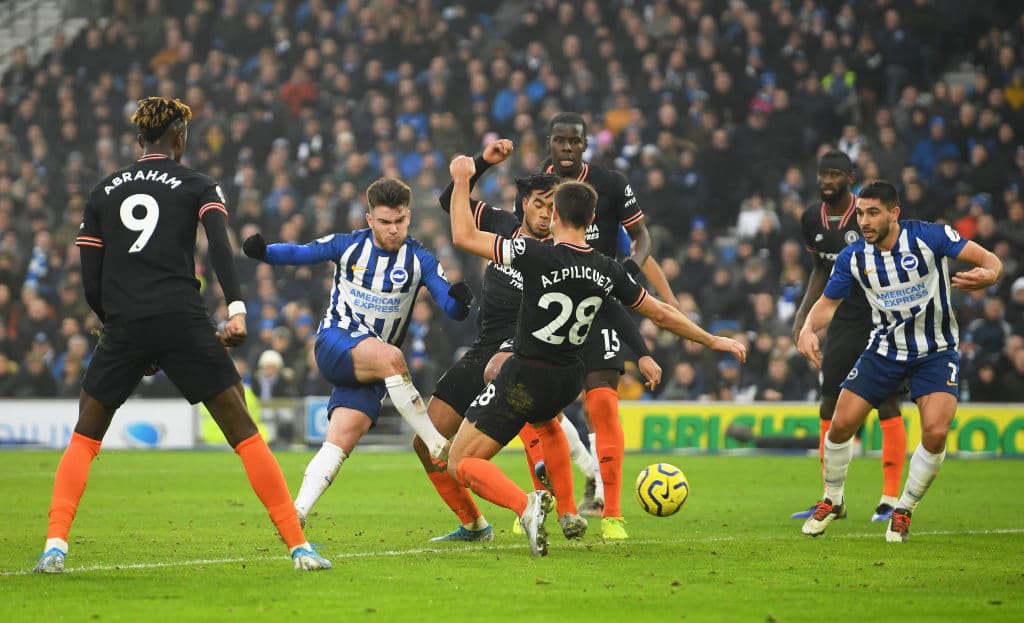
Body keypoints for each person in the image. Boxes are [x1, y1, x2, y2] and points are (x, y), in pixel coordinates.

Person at [34, 96, 330, 573]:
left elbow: (91, 277)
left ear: (138, 140)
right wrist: (235, 308)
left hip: (124, 322)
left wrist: (114, 324)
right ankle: (299, 548)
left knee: (85, 435)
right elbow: (218, 246)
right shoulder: (197, 184)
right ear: (180, 138)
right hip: (181, 317)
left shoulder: (102, 190)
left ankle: (55, 545)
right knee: (244, 432)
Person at [445, 154, 746, 556]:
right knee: (547, 423)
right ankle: (569, 512)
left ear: (554, 219)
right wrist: (712, 340)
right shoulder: (607, 269)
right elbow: (659, 312)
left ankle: (526, 504)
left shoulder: (536, 254)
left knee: (460, 462)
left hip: (527, 374)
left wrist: (463, 178)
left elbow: (464, 237)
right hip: (569, 378)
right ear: (591, 222)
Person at [420, 139, 659, 543]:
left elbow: (610, 301)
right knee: (427, 441)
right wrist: (480, 163)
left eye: (554, 205)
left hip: (524, 347)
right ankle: (475, 524)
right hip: (485, 346)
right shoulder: (501, 228)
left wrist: (642, 351)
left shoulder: (560, 252)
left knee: (534, 416)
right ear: (523, 204)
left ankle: (553, 506)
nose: (548, 212)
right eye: (540, 203)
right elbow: (451, 200)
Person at [241, 177, 472, 526]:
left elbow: (448, 304)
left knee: (339, 444)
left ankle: (297, 512)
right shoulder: (347, 245)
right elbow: (301, 252)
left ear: (408, 217)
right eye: (385, 222)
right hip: (337, 341)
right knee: (393, 357)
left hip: (373, 370)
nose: (393, 230)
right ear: (369, 219)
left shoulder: (420, 259)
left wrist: (460, 302)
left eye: (399, 221)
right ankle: (438, 444)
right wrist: (263, 252)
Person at [797, 180, 1002, 542]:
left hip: (935, 352)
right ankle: (832, 498)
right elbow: (827, 304)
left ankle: (903, 509)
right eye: (860, 213)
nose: (865, 221)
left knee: (936, 432)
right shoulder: (854, 257)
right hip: (884, 351)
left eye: (873, 213)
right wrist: (808, 329)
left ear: (895, 213)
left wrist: (991, 274)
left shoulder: (930, 237)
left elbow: (990, 259)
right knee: (840, 424)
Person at [538, 112, 677, 538]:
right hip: (553, 305)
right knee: (538, 412)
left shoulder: (612, 184)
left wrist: (629, 271)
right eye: (559, 140)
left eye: (573, 141)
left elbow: (643, 240)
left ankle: (611, 511)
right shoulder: (535, 185)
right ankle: (555, 499)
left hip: (600, 303)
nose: (566, 147)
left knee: (602, 405)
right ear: (550, 143)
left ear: (584, 145)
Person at [791, 150, 907, 523]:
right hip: (841, 317)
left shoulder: (868, 213)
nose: (827, 180)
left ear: (850, 177)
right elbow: (818, 271)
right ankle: (831, 499)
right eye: (823, 173)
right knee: (829, 403)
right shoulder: (811, 218)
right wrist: (804, 321)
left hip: (880, 314)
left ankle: (890, 500)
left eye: (835, 174)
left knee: (887, 403)